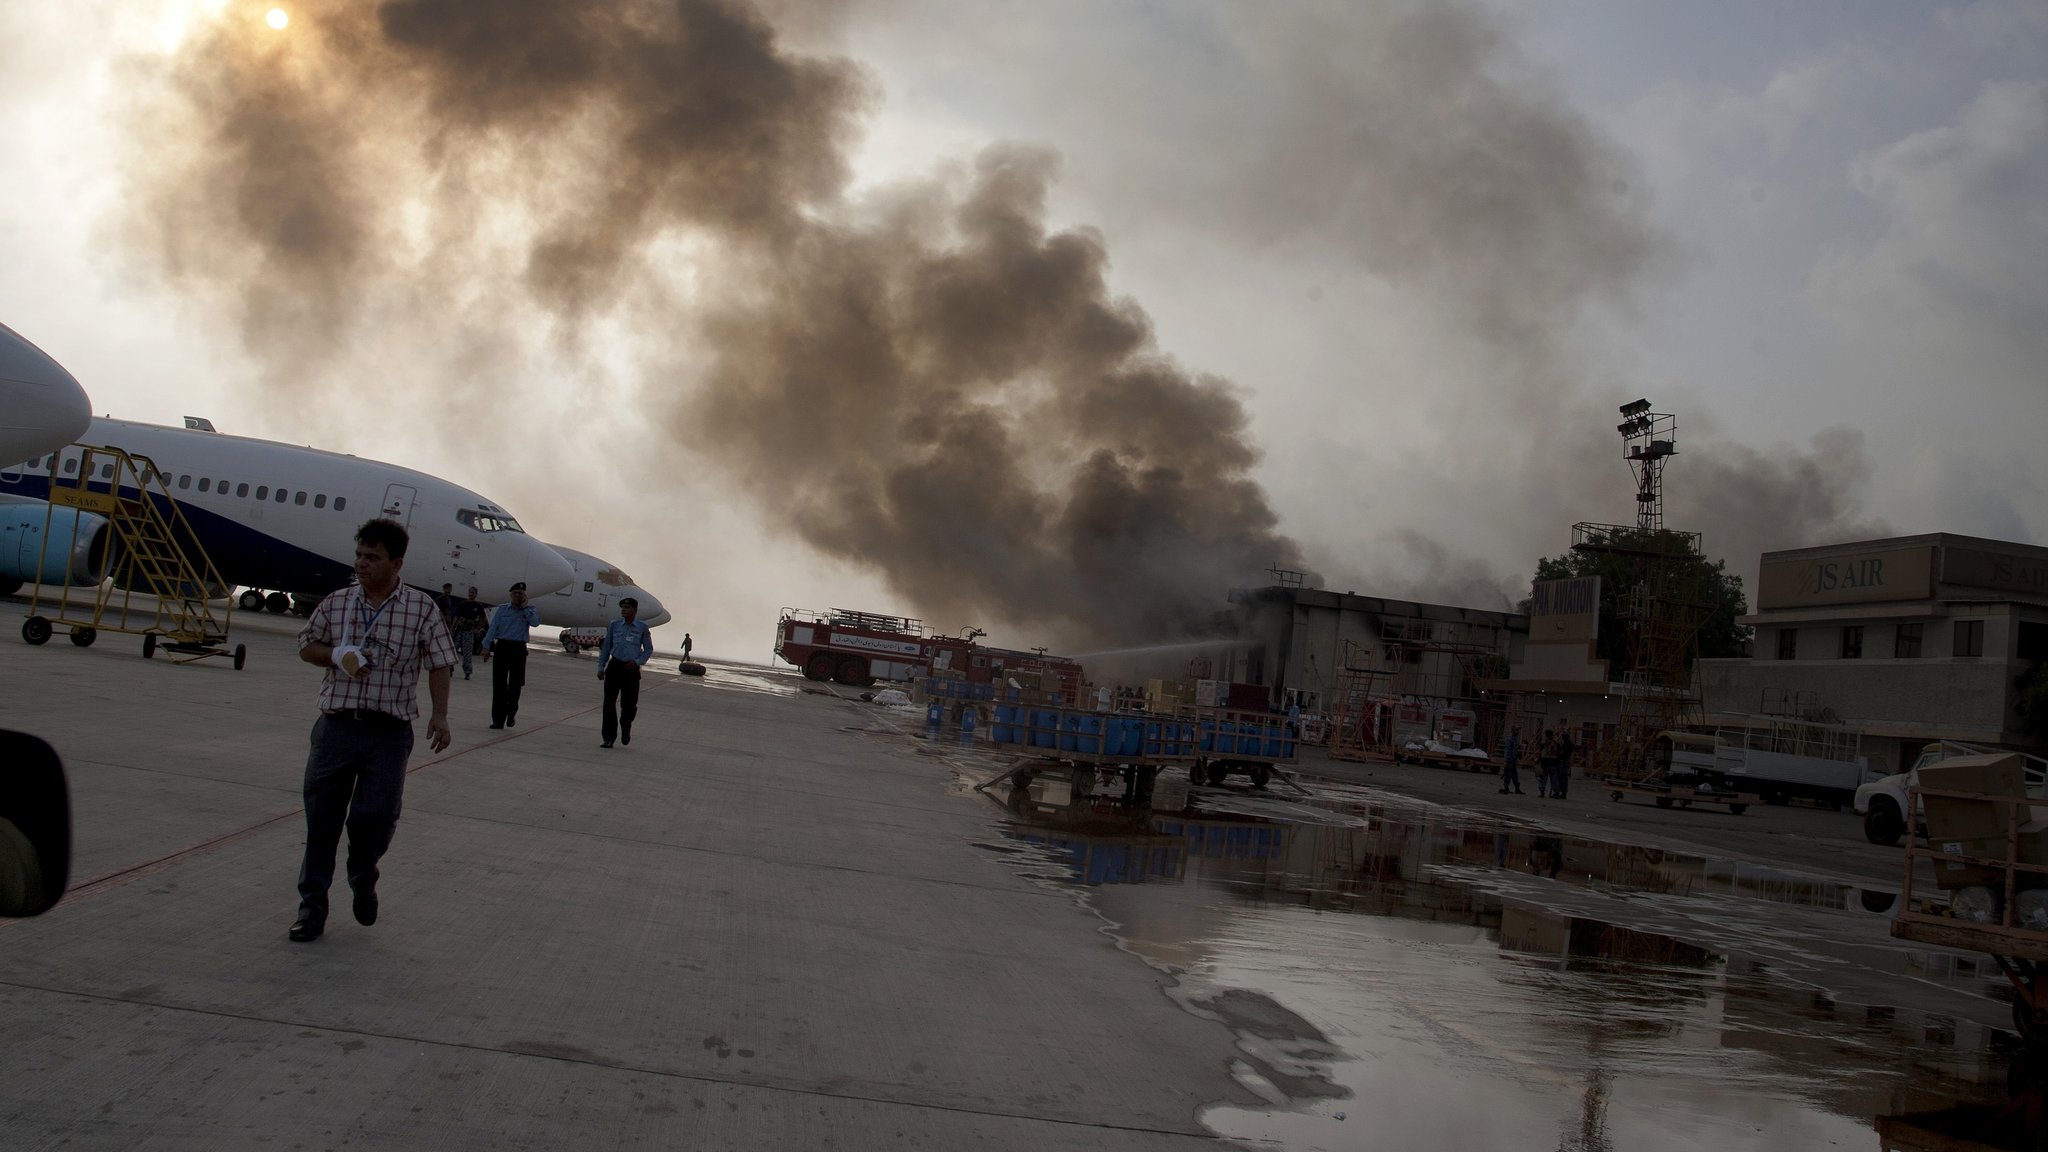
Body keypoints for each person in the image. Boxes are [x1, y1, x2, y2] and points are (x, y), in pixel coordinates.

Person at [288, 518, 457, 943]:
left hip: (389, 734)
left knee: (374, 819)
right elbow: (307, 645)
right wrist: (336, 654)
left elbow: (439, 661)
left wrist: (440, 714)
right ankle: (312, 909)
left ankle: (363, 875)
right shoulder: (338, 602)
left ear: (396, 563)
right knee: (322, 822)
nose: (362, 564)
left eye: (373, 558)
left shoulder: (421, 609)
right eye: (359, 555)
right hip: (336, 729)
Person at [481, 581, 540, 729]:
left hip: (518, 650)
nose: (517, 596)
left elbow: (535, 623)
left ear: (525, 596)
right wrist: (486, 646)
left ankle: (511, 713)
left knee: (515, 685)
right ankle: (497, 720)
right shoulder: (502, 610)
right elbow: (493, 628)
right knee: (499, 685)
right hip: (503, 647)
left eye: (520, 594)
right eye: (515, 594)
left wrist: (525, 608)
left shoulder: (529, 610)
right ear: (511, 595)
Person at [598, 596, 655, 748]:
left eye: (627, 607)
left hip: (630, 670)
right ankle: (608, 738)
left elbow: (648, 649)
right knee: (608, 703)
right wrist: (601, 667)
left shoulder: (642, 627)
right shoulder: (614, 625)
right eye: (622, 607)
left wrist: (637, 662)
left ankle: (626, 727)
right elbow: (606, 647)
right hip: (615, 666)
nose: (624, 609)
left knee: (628, 706)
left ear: (635, 610)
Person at [451, 587, 487, 680]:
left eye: (473, 593)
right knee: (453, 650)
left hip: (469, 631)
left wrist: (478, 628)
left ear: (476, 594)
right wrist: (452, 628)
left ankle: (467, 672)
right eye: (470, 592)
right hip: (460, 630)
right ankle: (450, 669)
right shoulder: (463, 604)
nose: (471, 594)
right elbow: (456, 617)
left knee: (467, 653)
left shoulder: (478, 606)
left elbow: (483, 618)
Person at [1499, 726, 1524, 795]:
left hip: (1514, 759)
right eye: (1516, 730)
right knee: (1508, 774)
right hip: (1510, 759)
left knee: (1514, 774)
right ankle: (1506, 787)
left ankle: (1517, 788)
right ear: (1513, 731)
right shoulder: (1510, 739)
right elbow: (1508, 750)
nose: (1518, 732)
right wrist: (1507, 760)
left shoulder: (1515, 739)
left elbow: (1515, 749)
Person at [1536, 728, 1559, 798]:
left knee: (1543, 778)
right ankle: (1556, 792)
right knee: (1554, 778)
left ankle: (1542, 792)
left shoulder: (1544, 742)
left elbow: (1540, 750)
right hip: (1553, 762)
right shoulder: (1555, 742)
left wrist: (1538, 760)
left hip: (1545, 761)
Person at [1554, 723, 1574, 799]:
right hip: (1564, 761)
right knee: (1562, 777)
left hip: (1564, 761)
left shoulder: (1567, 743)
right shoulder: (1567, 742)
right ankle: (1561, 792)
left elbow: (1564, 752)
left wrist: (1559, 751)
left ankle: (1562, 792)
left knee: (1561, 777)